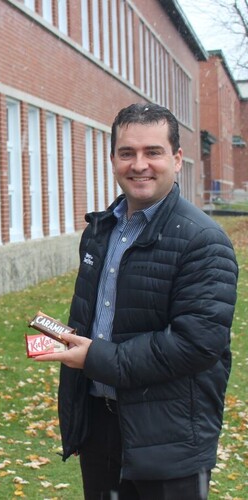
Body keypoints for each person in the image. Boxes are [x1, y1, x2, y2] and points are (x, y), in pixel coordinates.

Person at [35, 103, 237, 500]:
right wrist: (67, 336)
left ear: (177, 160)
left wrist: (94, 357)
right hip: (99, 428)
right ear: (113, 159)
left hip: (170, 439)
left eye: (153, 152)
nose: (139, 164)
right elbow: (105, 318)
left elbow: (196, 344)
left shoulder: (203, 241)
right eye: (127, 153)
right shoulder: (100, 230)